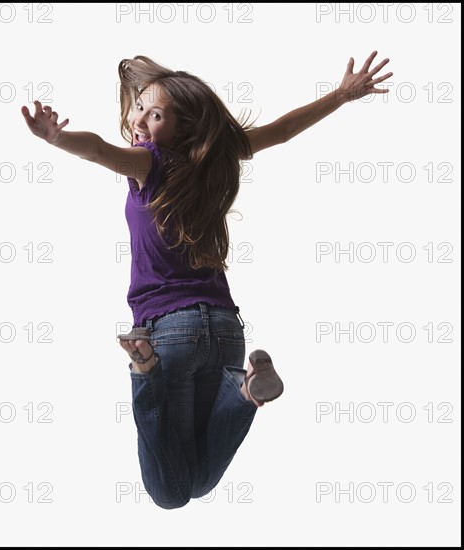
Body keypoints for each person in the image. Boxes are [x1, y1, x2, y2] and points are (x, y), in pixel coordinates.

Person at [21, 51, 393, 509]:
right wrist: (341, 96)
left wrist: (57, 138)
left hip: (168, 333)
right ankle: (242, 390)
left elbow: (99, 149)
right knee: (192, 482)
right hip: (224, 330)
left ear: (182, 129)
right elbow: (281, 131)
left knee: (168, 493)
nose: (139, 120)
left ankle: (148, 371)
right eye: (140, 106)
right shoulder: (216, 156)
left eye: (155, 115)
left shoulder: (149, 163)